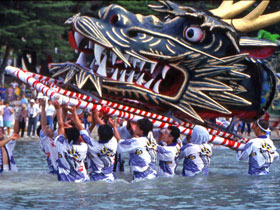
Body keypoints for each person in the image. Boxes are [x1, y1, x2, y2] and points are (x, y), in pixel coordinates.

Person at [73, 109, 117, 182]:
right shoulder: (113, 142)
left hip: (96, 179)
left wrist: (74, 112)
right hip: (111, 178)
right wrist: (97, 118)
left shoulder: (92, 145)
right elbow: (107, 131)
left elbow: (80, 127)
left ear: (98, 134)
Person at [53, 100, 89, 182]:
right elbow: (80, 133)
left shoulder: (60, 145)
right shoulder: (84, 147)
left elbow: (60, 126)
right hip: (82, 181)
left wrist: (58, 109)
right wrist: (74, 112)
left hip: (65, 181)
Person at [38, 98, 58, 174]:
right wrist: (43, 108)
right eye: (47, 128)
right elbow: (43, 124)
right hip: (54, 170)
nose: (49, 128)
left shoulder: (55, 137)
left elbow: (61, 123)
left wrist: (59, 109)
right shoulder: (45, 140)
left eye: (49, 127)